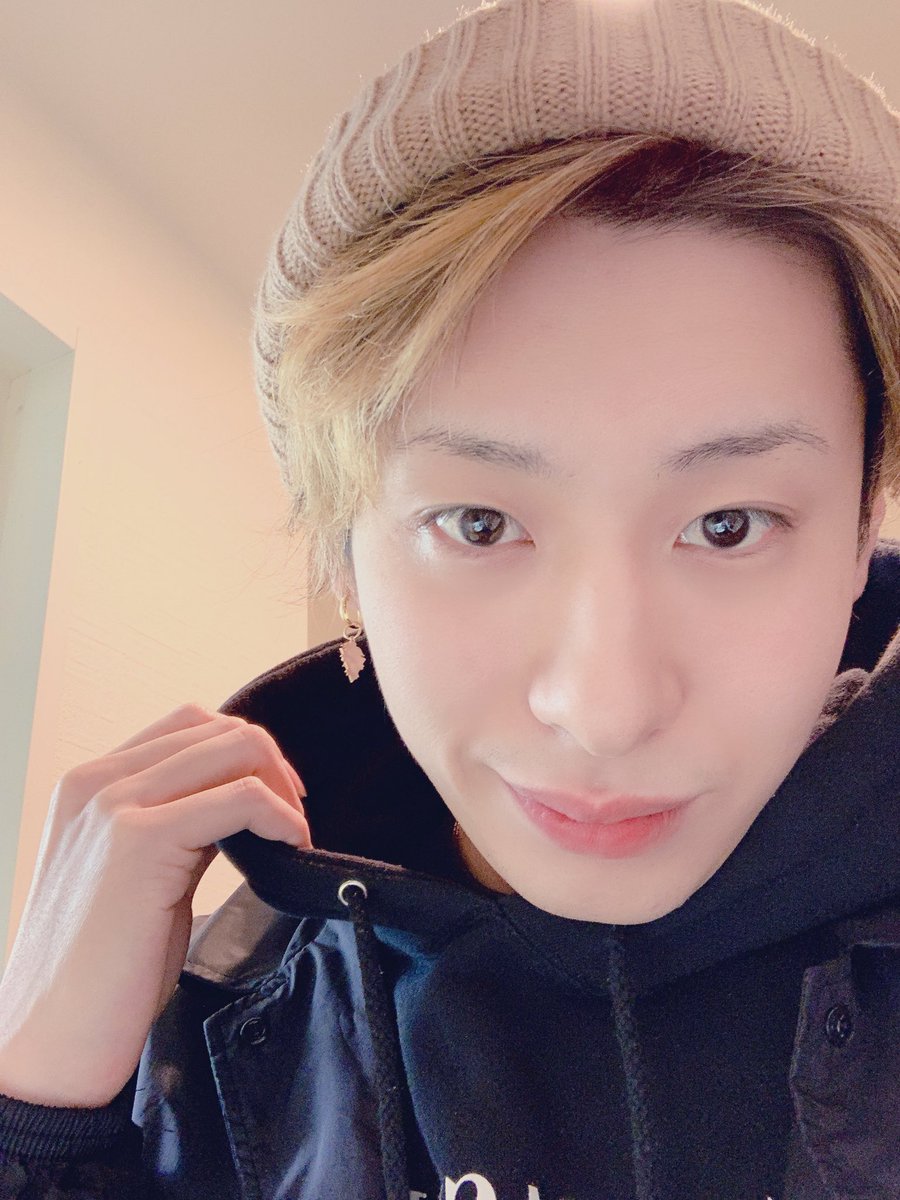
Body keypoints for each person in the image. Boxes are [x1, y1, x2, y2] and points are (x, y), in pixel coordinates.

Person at [1, 0, 899, 1196]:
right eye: (479, 523)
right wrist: (36, 1121)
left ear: (859, 537)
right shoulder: (214, 1023)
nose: (605, 709)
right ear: (344, 555)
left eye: (727, 525)